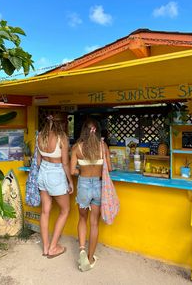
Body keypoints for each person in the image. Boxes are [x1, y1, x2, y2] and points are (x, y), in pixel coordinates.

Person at [70, 118, 112, 271]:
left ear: (84, 131)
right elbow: (110, 168)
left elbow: (72, 170)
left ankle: (81, 249)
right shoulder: (103, 146)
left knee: (82, 218)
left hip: (84, 185)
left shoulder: (77, 148)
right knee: (94, 223)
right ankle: (89, 257)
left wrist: (81, 170)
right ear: (97, 131)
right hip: (98, 187)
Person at [37, 115, 74, 258]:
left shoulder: (40, 136)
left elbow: (39, 161)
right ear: (62, 124)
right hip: (56, 173)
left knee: (45, 211)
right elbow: (65, 163)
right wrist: (70, 181)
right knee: (65, 210)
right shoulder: (62, 138)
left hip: (43, 173)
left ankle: (46, 248)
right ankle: (53, 247)